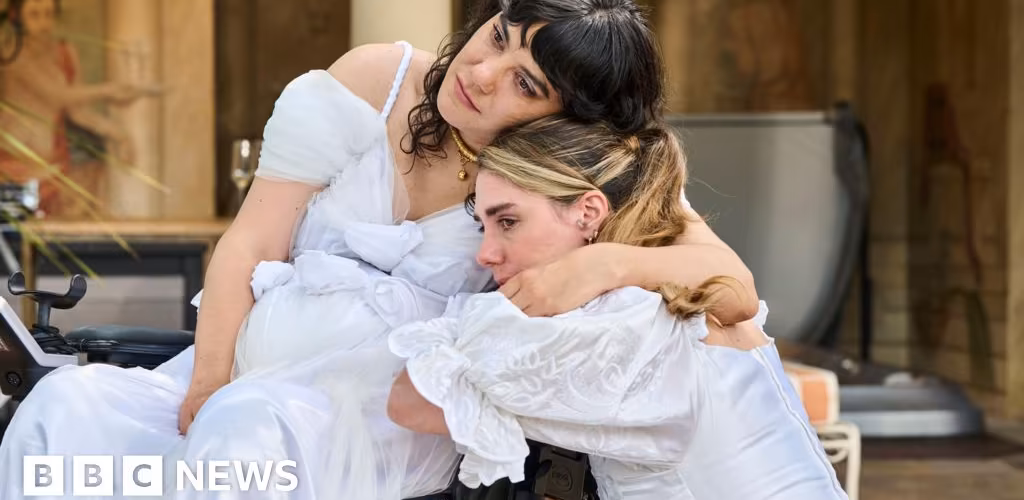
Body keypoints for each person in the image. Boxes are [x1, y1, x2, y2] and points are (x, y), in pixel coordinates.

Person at [0, 0, 758, 498]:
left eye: (524, 84)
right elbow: (250, 242)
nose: (482, 72)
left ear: (567, 116)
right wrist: (206, 384)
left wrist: (604, 262)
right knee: (67, 407)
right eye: (496, 36)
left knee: (249, 431)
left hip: (382, 413)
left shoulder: (569, 169)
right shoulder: (377, 79)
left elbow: (732, 284)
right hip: (243, 375)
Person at [387, 116, 850, 500]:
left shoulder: (626, 325)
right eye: (483, 227)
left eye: (508, 221)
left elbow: (412, 401)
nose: (485, 255)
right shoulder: (676, 286)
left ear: (588, 212)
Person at [0, 0, 156, 215]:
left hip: (53, 160)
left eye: (48, 14)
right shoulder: (13, 53)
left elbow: (77, 111)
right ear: (17, 17)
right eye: (34, 15)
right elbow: (57, 96)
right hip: (14, 163)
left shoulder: (64, 51)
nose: (44, 23)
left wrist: (117, 133)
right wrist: (108, 90)